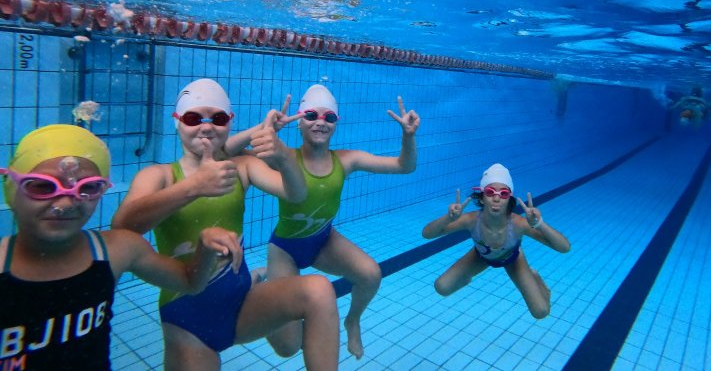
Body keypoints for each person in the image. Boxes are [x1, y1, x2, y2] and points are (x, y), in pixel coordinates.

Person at [111, 79, 339, 371]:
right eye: (194, 118)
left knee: (309, 308)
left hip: (241, 302)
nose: (206, 127)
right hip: (187, 318)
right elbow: (122, 228)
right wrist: (192, 186)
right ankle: (258, 277)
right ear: (177, 122)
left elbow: (295, 193)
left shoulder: (240, 168)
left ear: (229, 122)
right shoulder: (160, 175)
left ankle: (255, 280)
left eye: (217, 118)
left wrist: (283, 156)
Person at [0, 124, 242, 371]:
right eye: (42, 186)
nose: (65, 202)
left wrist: (205, 248)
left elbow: (190, 282)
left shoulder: (118, 250)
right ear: (11, 187)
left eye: (88, 188)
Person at [225, 83, 420, 359]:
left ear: (336, 123)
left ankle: (352, 321)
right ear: (300, 123)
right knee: (288, 347)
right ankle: (258, 286)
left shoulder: (346, 160)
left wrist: (408, 136)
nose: (320, 122)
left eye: (329, 117)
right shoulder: (283, 157)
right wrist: (265, 130)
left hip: (324, 240)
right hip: (285, 251)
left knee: (371, 275)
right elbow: (226, 152)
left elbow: (405, 166)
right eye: (311, 116)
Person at [422, 163, 570, 319]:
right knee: (442, 287)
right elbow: (427, 234)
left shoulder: (518, 223)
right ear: (482, 196)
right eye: (490, 192)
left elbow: (564, 247)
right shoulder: (471, 220)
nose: (497, 198)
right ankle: (466, 276)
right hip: (481, 257)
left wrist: (540, 224)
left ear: (509, 198)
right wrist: (448, 218)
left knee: (541, 312)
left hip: (513, 259)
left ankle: (535, 280)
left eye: (504, 193)